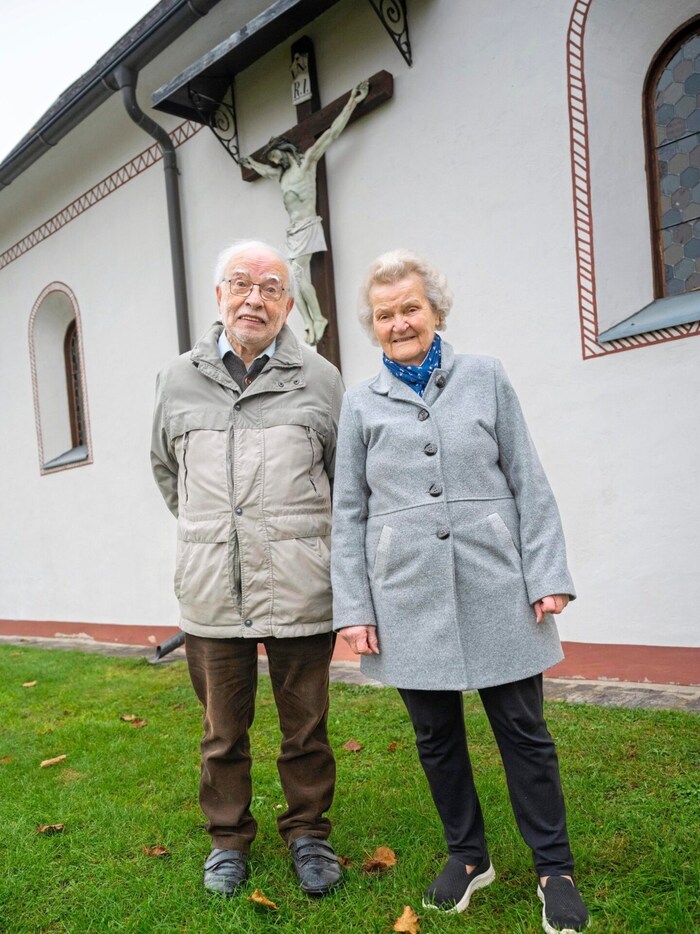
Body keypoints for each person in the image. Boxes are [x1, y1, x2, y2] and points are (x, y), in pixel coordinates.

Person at [331, 250, 589, 934]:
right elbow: (348, 512)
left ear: (436, 311)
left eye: (410, 308)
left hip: (495, 577)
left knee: (523, 731)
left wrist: (547, 573)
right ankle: (468, 857)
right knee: (435, 735)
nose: (399, 323)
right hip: (405, 590)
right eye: (384, 315)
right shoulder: (360, 404)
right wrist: (353, 606)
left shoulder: (486, 377)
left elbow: (527, 478)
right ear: (374, 326)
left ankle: (553, 867)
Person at [151, 240, 345, 898]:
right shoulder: (178, 379)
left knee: (306, 727)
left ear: (288, 304)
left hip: (300, 585)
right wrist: (214, 531)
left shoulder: (320, 379)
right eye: (240, 284)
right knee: (222, 732)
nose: (253, 298)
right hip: (212, 589)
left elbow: (342, 478)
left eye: (269, 287)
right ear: (219, 297)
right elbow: (166, 471)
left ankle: (310, 834)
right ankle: (228, 840)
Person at [240, 80, 369, 346]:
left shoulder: (307, 162)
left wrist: (353, 101)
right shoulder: (281, 176)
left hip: (308, 225)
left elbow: (332, 133)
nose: (275, 162)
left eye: (277, 157)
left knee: (295, 275)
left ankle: (318, 319)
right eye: (273, 161)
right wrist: (249, 162)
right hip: (293, 231)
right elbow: (262, 171)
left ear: (285, 151)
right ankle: (311, 322)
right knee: (291, 281)